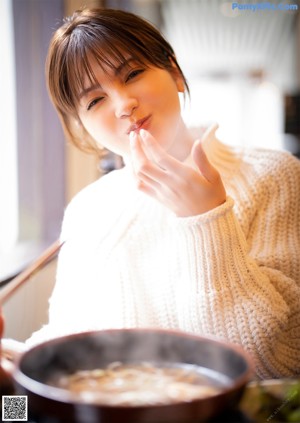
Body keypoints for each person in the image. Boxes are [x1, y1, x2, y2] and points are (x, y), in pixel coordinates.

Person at [25, 7, 300, 380]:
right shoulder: (87, 210)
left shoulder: (275, 176)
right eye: (95, 101)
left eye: (133, 74)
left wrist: (206, 220)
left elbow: (280, 367)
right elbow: (64, 343)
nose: (124, 106)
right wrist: (14, 371)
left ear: (174, 72)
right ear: (83, 126)